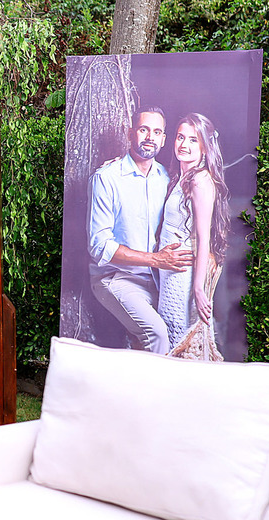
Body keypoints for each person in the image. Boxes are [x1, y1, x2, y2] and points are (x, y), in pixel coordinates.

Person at [87, 107, 192, 354]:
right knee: (157, 334)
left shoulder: (167, 179)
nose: (150, 137)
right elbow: (99, 245)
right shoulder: (107, 178)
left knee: (182, 333)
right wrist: (155, 260)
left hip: (157, 281)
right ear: (130, 133)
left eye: (157, 132)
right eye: (144, 129)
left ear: (163, 139)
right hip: (115, 278)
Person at [155, 112, 231, 361]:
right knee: (170, 337)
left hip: (183, 274)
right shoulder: (180, 177)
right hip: (169, 271)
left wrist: (198, 288)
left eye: (193, 140)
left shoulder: (200, 180)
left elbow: (203, 237)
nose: (183, 144)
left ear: (205, 147)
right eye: (180, 137)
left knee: (180, 340)